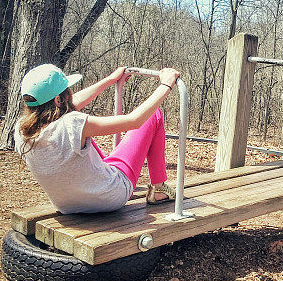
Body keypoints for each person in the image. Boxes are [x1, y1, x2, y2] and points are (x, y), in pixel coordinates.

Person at [14, 63, 180, 214]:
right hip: (111, 197)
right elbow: (134, 121)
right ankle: (159, 189)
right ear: (58, 100)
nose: (71, 94)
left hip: (66, 206)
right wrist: (166, 84)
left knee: (81, 142)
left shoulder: (22, 130)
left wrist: (109, 80)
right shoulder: (72, 124)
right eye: (68, 91)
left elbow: (67, 106)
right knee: (154, 116)